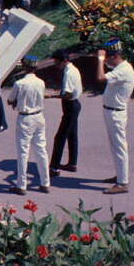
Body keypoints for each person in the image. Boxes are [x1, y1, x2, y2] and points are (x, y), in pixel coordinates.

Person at [95, 39, 134, 194]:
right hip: (112, 111)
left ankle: (122, 183)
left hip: (115, 112)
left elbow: (100, 77)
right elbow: (108, 67)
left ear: (115, 55)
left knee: (119, 147)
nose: (107, 60)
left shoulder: (123, 70)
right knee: (116, 146)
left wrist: (99, 59)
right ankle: (120, 175)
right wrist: (101, 58)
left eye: (109, 57)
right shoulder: (121, 66)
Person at [7, 55, 50, 195]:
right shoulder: (41, 82)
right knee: (41, 150)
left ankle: (22, 185)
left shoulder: (20, 83)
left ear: (24, 67)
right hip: (39, 116)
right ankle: (45, 182)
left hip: (25, 118)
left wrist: (17, 102)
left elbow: (10, 99)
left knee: (23, 152)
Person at [46, 49, 82, 177]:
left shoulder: (68, 73)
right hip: (74, 104)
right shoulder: (73, 69)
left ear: (64, 61)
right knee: (72, 135)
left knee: (60, 137)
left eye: (57, 63)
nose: (56, 66)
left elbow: (67, 94)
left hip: (70, 105)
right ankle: (72, 163)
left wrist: (51, 96)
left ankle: (54, 168)